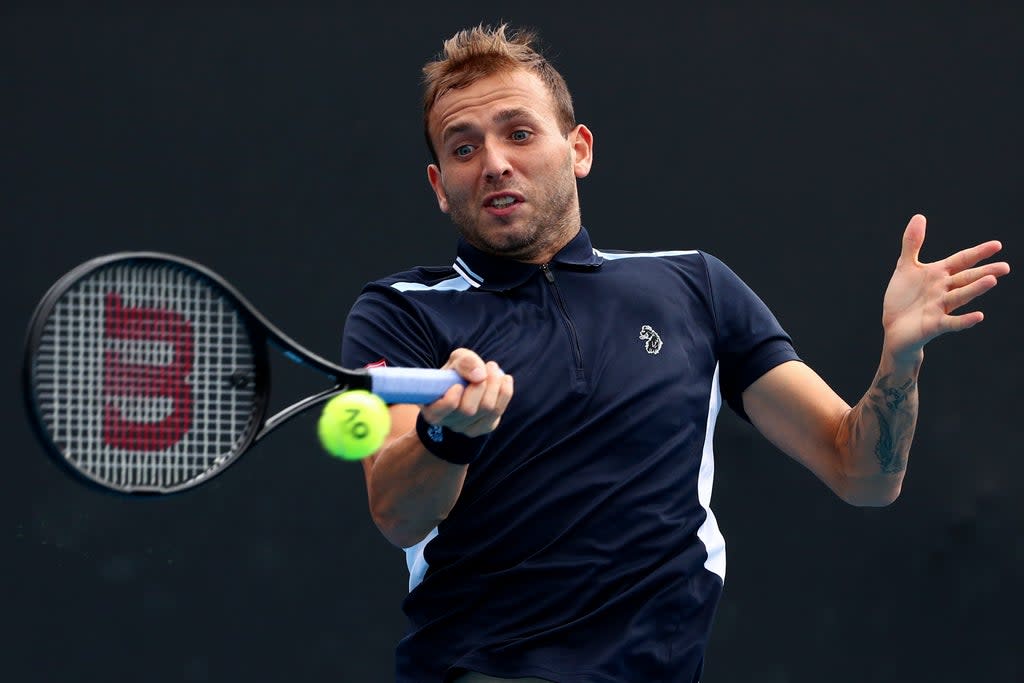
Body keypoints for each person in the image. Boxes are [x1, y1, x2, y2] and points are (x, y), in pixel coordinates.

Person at [340, 24, 1010, 683]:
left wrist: (900, 360)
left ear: (579, 149)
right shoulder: (402, 310)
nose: (493, 163)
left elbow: (863, 473)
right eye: (463, 148)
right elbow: (398, 513)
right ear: (438, 183)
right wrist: (447, 433)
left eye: (519, 132)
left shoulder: (695, 287)